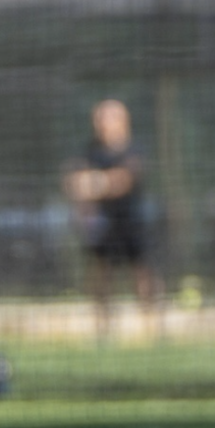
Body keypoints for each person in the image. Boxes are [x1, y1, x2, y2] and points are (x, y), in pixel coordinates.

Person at [62, 99, 159, 338]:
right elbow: (72, 182)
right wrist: (100, 184)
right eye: (99, 118)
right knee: (101, 272)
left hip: (130, 220)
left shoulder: (132, 150)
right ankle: (103, 328)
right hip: (102, 225)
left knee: (142, 271)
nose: (101, 123)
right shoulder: (90, 151)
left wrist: (94, 183)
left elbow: (123, 180)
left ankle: (153, 327)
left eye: (108, 117)